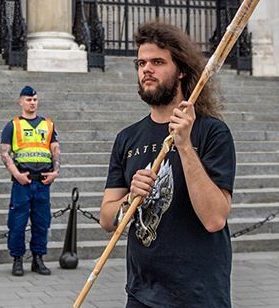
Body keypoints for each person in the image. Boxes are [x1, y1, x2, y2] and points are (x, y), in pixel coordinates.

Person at [99, 21, 236, 307]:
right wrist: (129, 200)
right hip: (141, 293)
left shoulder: (212, 133)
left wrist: (184, 145)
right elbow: (106, 218)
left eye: (158, 62)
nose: (146, 69)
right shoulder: (127, 138)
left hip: (197, 295)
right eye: (141, 63)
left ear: (182, 69)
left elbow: (214, 219)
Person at [0, 85, 60, 276]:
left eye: (34, 99)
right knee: (17, 222)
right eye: (28, 99)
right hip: (22, 182)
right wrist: (16, 174)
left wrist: (55, 172)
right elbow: (4, 153)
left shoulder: (48, 125)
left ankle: (38, 259)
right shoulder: (13, 125)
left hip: (42, 182)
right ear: (21, 101)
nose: (32, 103)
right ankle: (17, 259)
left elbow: (55, 151)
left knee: (42, 222)